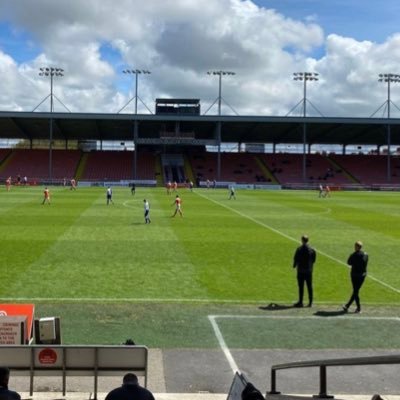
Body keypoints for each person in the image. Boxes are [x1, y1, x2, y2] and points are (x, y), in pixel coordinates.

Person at [342, 241, 368, 314]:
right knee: (356, 291)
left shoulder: (353, 255)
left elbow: (349, 262)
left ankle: (358, 308)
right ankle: (347, 305)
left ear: (356, 247)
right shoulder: (365, 255)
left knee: (356, 291)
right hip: (362, 275)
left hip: (355, 275)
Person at [293, 235, 316, 307]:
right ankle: (310, 302)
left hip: (301, 271)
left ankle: (300, 302)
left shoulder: (299, 249)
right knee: (309, 286)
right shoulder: (312, 250)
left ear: (302, 240)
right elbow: (314, 260)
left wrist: (294, 265)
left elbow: (296, 259)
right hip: (309, 271)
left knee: (301, 287)